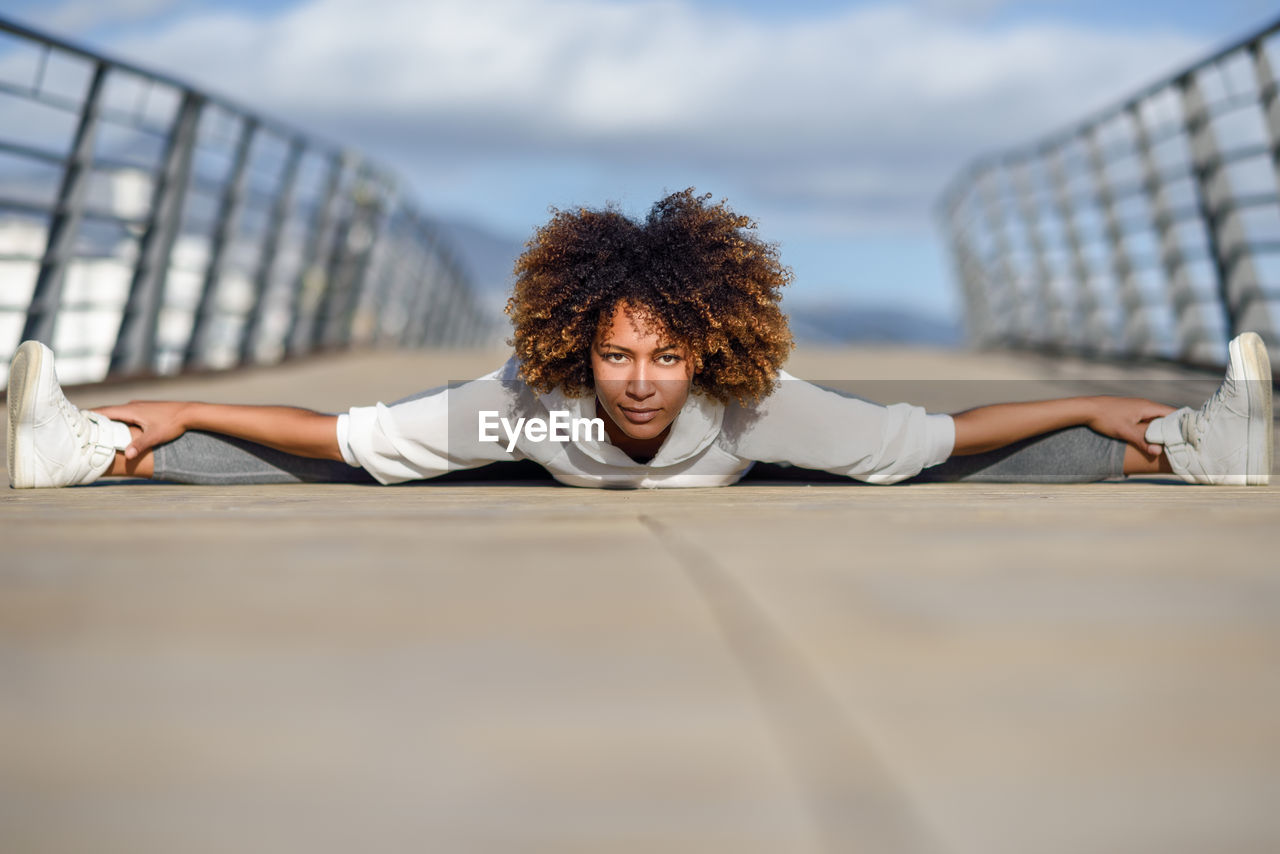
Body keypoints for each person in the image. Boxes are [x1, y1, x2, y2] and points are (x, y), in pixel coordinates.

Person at [5, 190, 1273, 490]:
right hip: (531, 459)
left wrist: (1106, 405)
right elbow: (339, 429)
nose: (642, 381)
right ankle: (82, 442)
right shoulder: (538, 405)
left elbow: (937, 433)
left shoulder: (760, 404)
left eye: (666, 356)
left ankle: (1189, 438)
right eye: (615, 355)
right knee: (320, 462)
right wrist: (176, 415)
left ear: (710, 350)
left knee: (950, 465)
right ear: (572, 350)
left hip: (755, 468)